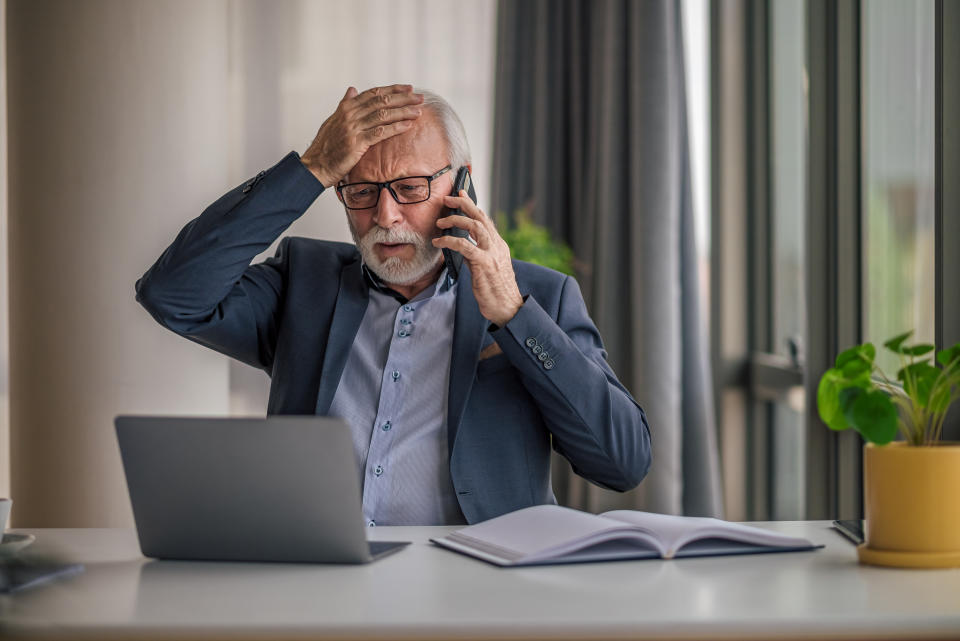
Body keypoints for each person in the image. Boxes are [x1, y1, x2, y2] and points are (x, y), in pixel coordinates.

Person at [136, 84, 651, 526]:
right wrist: (312, 168)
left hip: (474, 590)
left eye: (409, 187)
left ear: (461, 183)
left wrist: (515, 316)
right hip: (317, 581)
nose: (385, 215)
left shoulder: (539, 297)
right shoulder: (304, 284)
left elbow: (622, 463)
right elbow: (172, 294)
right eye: (360, 191)